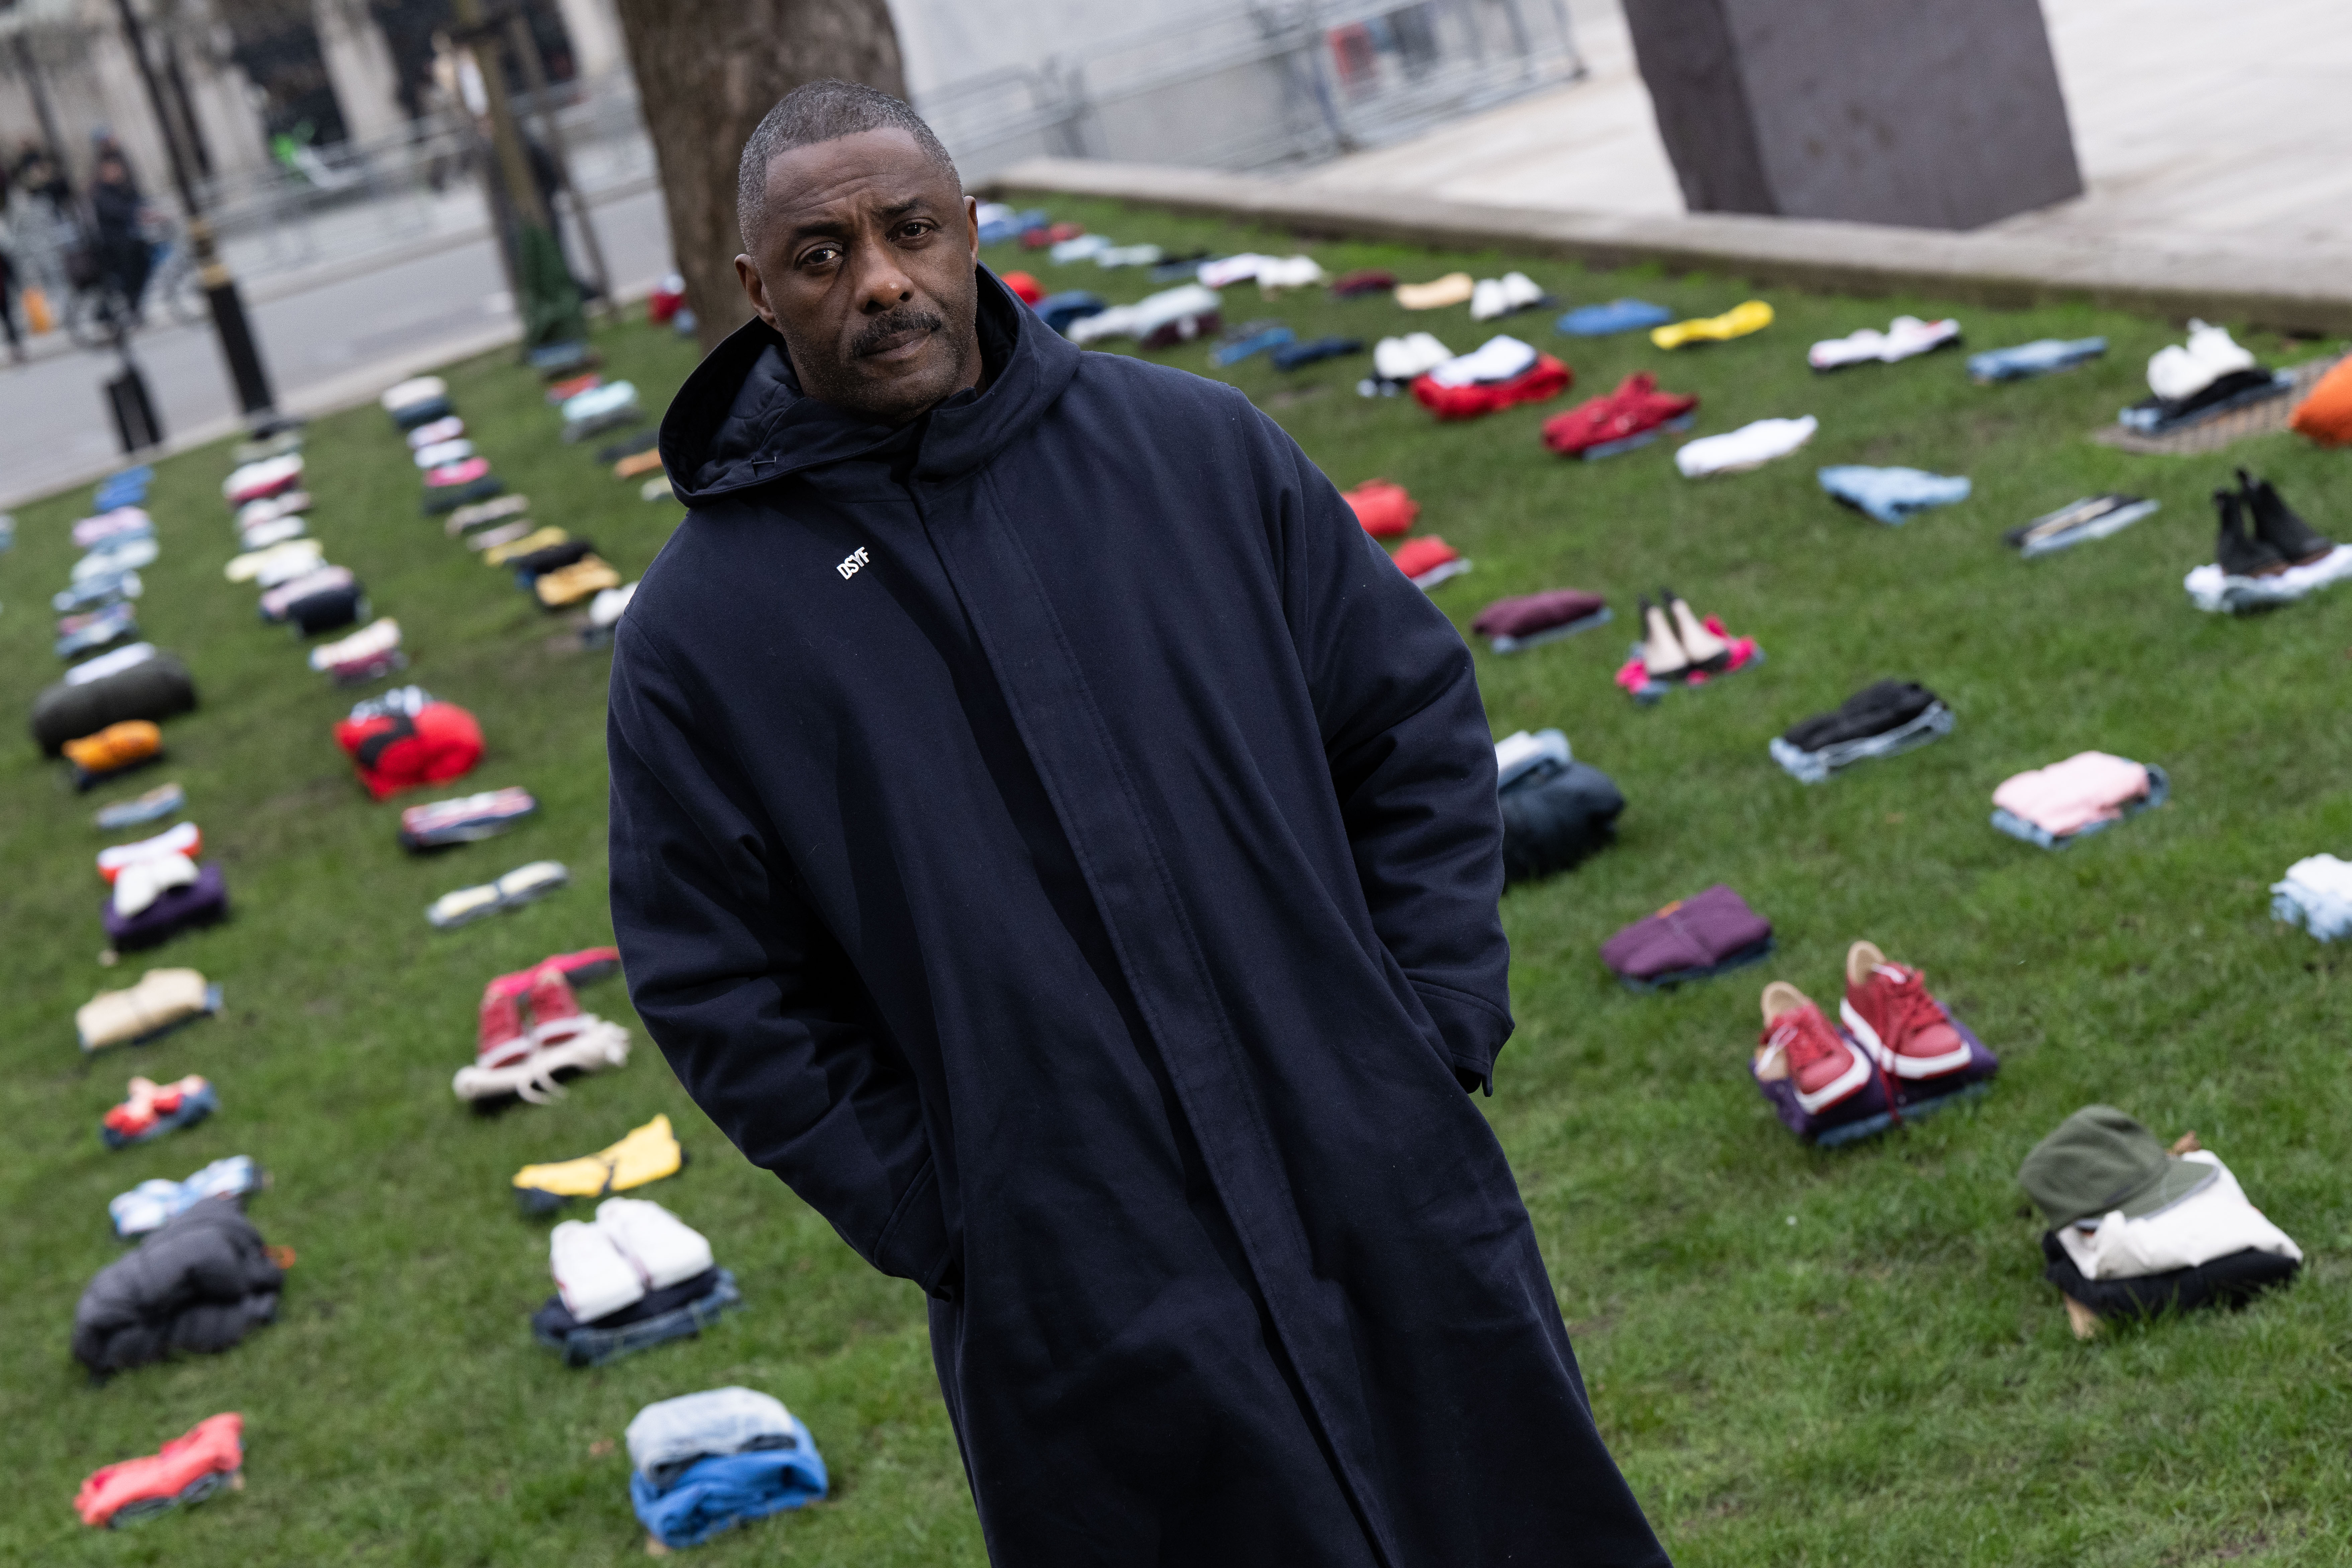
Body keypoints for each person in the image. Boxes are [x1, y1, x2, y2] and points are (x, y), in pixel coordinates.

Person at [606, 80, 1670, 1568]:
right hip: (1069, 1266)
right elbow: (713, 976)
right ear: (753, 292)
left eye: (909, 231)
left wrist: (1420, 1026)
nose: (881, 283)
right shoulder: (701, 633)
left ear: (971, 228)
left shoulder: (1193, 451)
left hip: (1370, 1165)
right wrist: (944, 1208)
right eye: (822, 255)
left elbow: (1410, 720)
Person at [89, 152, 151, 322]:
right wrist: (138, 213)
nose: (116, 172)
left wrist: (149, 212)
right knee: (127, 275)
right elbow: (117, 211)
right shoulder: (101, 192)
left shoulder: (125, 187)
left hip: (131, 240)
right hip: (114, 244)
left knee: (144, 263)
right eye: (111, 169)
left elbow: (139, 202)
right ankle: (127, 308)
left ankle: (133, 305)